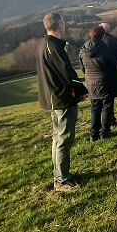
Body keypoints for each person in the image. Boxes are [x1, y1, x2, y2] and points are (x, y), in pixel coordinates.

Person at [36, 12, 87, 192]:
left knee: (57, 138)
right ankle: (62, 180)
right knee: (64, 139)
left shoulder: (43, 44)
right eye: (63, 23)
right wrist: (82, 91)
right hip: (61, 98)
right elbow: (67, 74)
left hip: (52, 97)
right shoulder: (54, 47)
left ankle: (60, 174)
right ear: (60, 25)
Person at [79, 26, 117, 142]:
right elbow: (113, 65)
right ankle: (105, 131)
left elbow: (82, 67)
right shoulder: (104, 48)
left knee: (95, 107)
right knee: (107, 105)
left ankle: (93, 134)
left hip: (91, 82)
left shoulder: (83, 49)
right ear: (102, 35)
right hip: (105, 81)